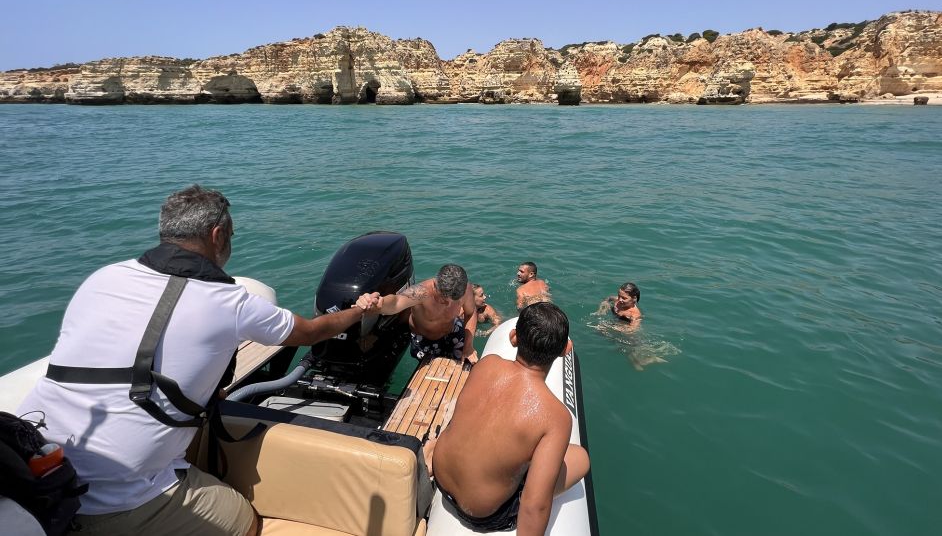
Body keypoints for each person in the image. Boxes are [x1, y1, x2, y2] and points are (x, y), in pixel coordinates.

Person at [17, 185, 366, 536]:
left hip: (30, 463)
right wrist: (360, 310)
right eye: (230, 234)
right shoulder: (227, 301)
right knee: (244, 520)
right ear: (217, 236)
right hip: (114, 501)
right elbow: (310, 331)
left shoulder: (103, 278)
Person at [428, 302, 590, 535]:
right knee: (580, 458)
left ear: (513, 338)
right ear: (566, 349)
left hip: (442, 481)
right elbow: (536, 504)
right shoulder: (555, 417)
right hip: (482, 513)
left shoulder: (487, 363)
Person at [356, 264, 479, 364]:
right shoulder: (421, 292)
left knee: (468, 363)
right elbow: (396, 302)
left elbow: (471, 312)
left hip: (452, 330)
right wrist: (378, 304)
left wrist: (469, 345)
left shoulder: (466, 289)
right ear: (435, 285)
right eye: (444, 299)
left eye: (455, 300)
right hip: (424, 339)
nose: (448, 304)